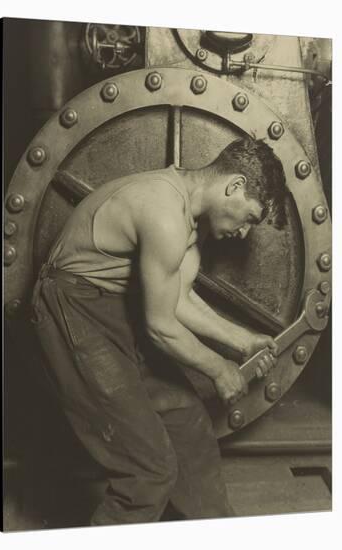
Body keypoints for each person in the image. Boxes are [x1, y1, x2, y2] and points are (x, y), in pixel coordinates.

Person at [31, 137, 287, 525]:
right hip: (72, 308)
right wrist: (219, 369)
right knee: (149, 470)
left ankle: (215, 528)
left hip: (114, 309)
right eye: (250, 218)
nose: (245, 233)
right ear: (234, 186)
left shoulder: (188, 216)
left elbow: (177, 299)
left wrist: (242, 339)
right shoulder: (164, 213)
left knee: (188, 423)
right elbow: (160, 326)